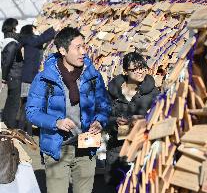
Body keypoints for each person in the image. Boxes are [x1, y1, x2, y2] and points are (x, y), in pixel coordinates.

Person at [26, 27, 111, 193]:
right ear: (62, 50)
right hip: (57, 147)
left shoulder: (92, 75)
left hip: (87, 146)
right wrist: (56, 122)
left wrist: (100, 120)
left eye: (84, 46)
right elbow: (32, 111)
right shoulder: (45, 78)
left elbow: (104, 104)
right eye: (77, 47)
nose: (83, 52)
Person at [105, 52, 160, 192]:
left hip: (140, 148)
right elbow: (102, 115)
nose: (140, 71)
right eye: (135, 69)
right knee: (117, 184)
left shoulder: (153, 93)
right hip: (117, 147)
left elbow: (158, 118)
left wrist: (137, 123)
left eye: (142, 67)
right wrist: (114, 122)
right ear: (125, 71)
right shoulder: (112, 91)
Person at [18, 24, 56, 136]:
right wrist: (53, 29)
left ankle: (22, 129)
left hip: (27, 76)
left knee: (26, 104)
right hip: (30, 78)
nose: (37, 30)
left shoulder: (27, 41)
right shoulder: (31, 40)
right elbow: (42, 39)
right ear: (31, 30)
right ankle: (27, 131)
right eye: (35, 29)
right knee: (30, 104)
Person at [0, 18, 23, 128]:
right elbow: (7, 63)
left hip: (12, 76)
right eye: (16, 27)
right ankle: (10, 126)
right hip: (15, 76)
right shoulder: (12, 44)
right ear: (12, 28)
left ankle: (5, 122)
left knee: (10, 100)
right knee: (14, 103)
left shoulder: (6, 42)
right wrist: (3, 79)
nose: (17, 30)